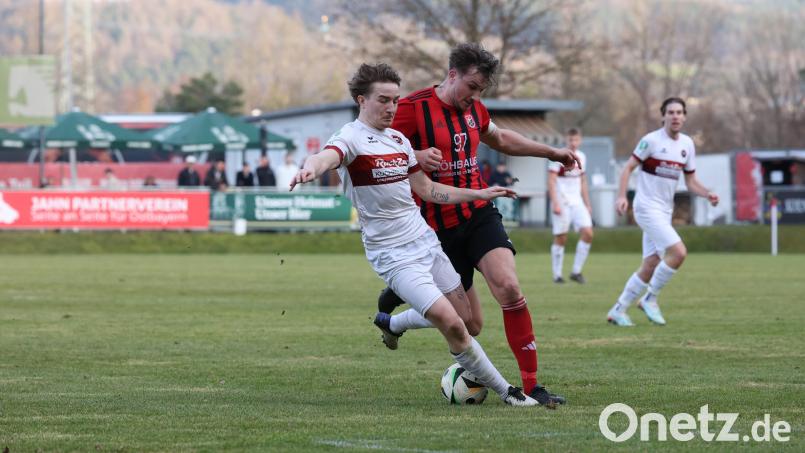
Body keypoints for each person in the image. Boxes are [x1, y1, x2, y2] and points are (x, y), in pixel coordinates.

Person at [290, 63, 539, 406]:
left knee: (469, 321)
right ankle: (509, 393)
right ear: (361, 100)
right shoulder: (350, 138)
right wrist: (309, 167)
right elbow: (327, 157)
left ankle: (392, 323)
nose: (391, 108)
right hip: (392, 254)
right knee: (451, 323)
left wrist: (479, 194)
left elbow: (427, 189)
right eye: (383, 100)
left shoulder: (398, 140)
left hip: (426, 241)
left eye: (395, 100)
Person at [376, 42, 578, 404]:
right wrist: (415, 155)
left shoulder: (475, 110)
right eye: (471, 87)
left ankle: (532, 385)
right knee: (470, 325)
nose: (475, 96)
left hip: (479, 212)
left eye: (481, 90)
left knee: (509, 288)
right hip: (437, 231)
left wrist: (552, 152)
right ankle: (393, 321)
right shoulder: (412, 109)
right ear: (452, 74)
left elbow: (499, 138)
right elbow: (373, 145)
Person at [606, 97, 719, 327]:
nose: (675, 116)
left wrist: (707, 193)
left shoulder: (687, 145)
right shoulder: (651, 141)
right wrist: (620, 196)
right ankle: (650, 299)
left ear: (684, 116)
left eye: (679, 112)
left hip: (665, 211)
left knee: (651, 263)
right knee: (678, 253)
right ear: (663, 116)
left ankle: (618, 310)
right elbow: (628, 168)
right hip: (646, 208)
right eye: (671, 112)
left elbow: (690, 182)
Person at [548, 128, 593, 284]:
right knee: (561, 237)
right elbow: (552, 180)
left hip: (577, 202)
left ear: (580, 140)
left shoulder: (582, 157)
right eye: (570, 140)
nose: (573, 143)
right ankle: (557, 275)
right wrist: (555, 203)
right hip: (562, 201)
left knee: (588, 233)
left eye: (576, 140)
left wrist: (587, 204)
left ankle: (576, 271)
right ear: (566, 140)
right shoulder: (557, 156)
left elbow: (583, 181)